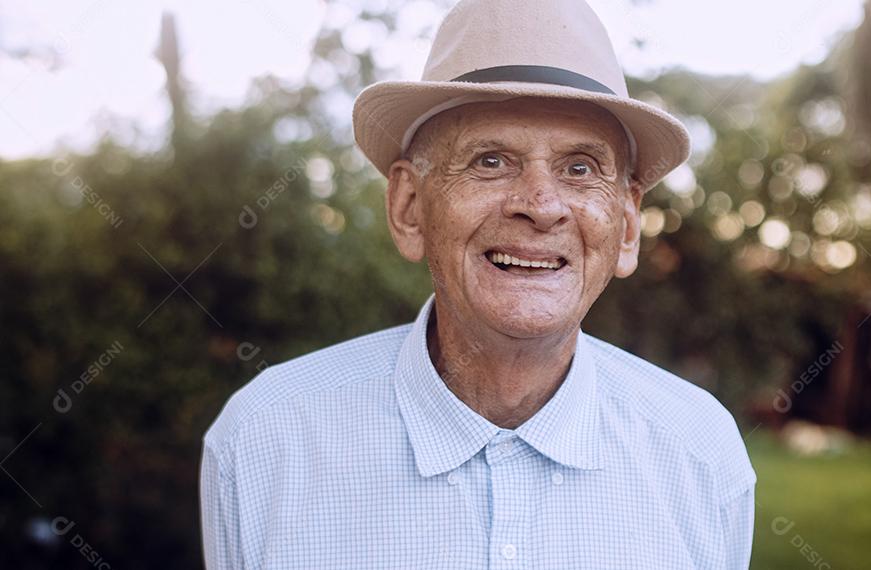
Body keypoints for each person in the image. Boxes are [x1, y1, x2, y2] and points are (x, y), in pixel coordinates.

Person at [200, 0, 756, 567]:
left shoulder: (700, 452)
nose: (540, 206)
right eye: (491, 161)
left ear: (629, 225)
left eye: (581, 168)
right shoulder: (265, 440)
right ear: (410, 207)